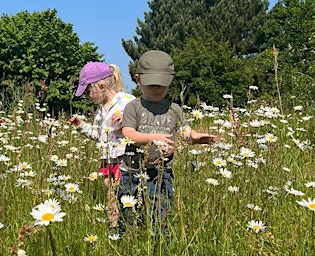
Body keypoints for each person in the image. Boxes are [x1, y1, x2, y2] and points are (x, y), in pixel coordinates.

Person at [118, 50, 216, 249]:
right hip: (133, 171)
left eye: (163, 84)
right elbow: (128, 133)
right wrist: (152, 139)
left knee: (162, 212)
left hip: (162, 172)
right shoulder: (133, 107)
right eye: (152, 84)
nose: (158, 89)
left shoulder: (174, 109)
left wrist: (195, 137)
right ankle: (126, 244)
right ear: (138, 80)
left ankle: (161, 247)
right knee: (128, 212)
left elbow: (184, 133)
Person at [68, 62, 135, 230]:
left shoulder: (127, 101)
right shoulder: (100, 110)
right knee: (110, 194)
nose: (87, 97)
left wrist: (127, 121)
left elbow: (141, 124)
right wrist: (81, 125)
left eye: (89, 92)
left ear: (102, 86)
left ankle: (128, 226)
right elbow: (98, 134)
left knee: (125, 193)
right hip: (106, 159)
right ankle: (113, 227)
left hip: (123, 158)